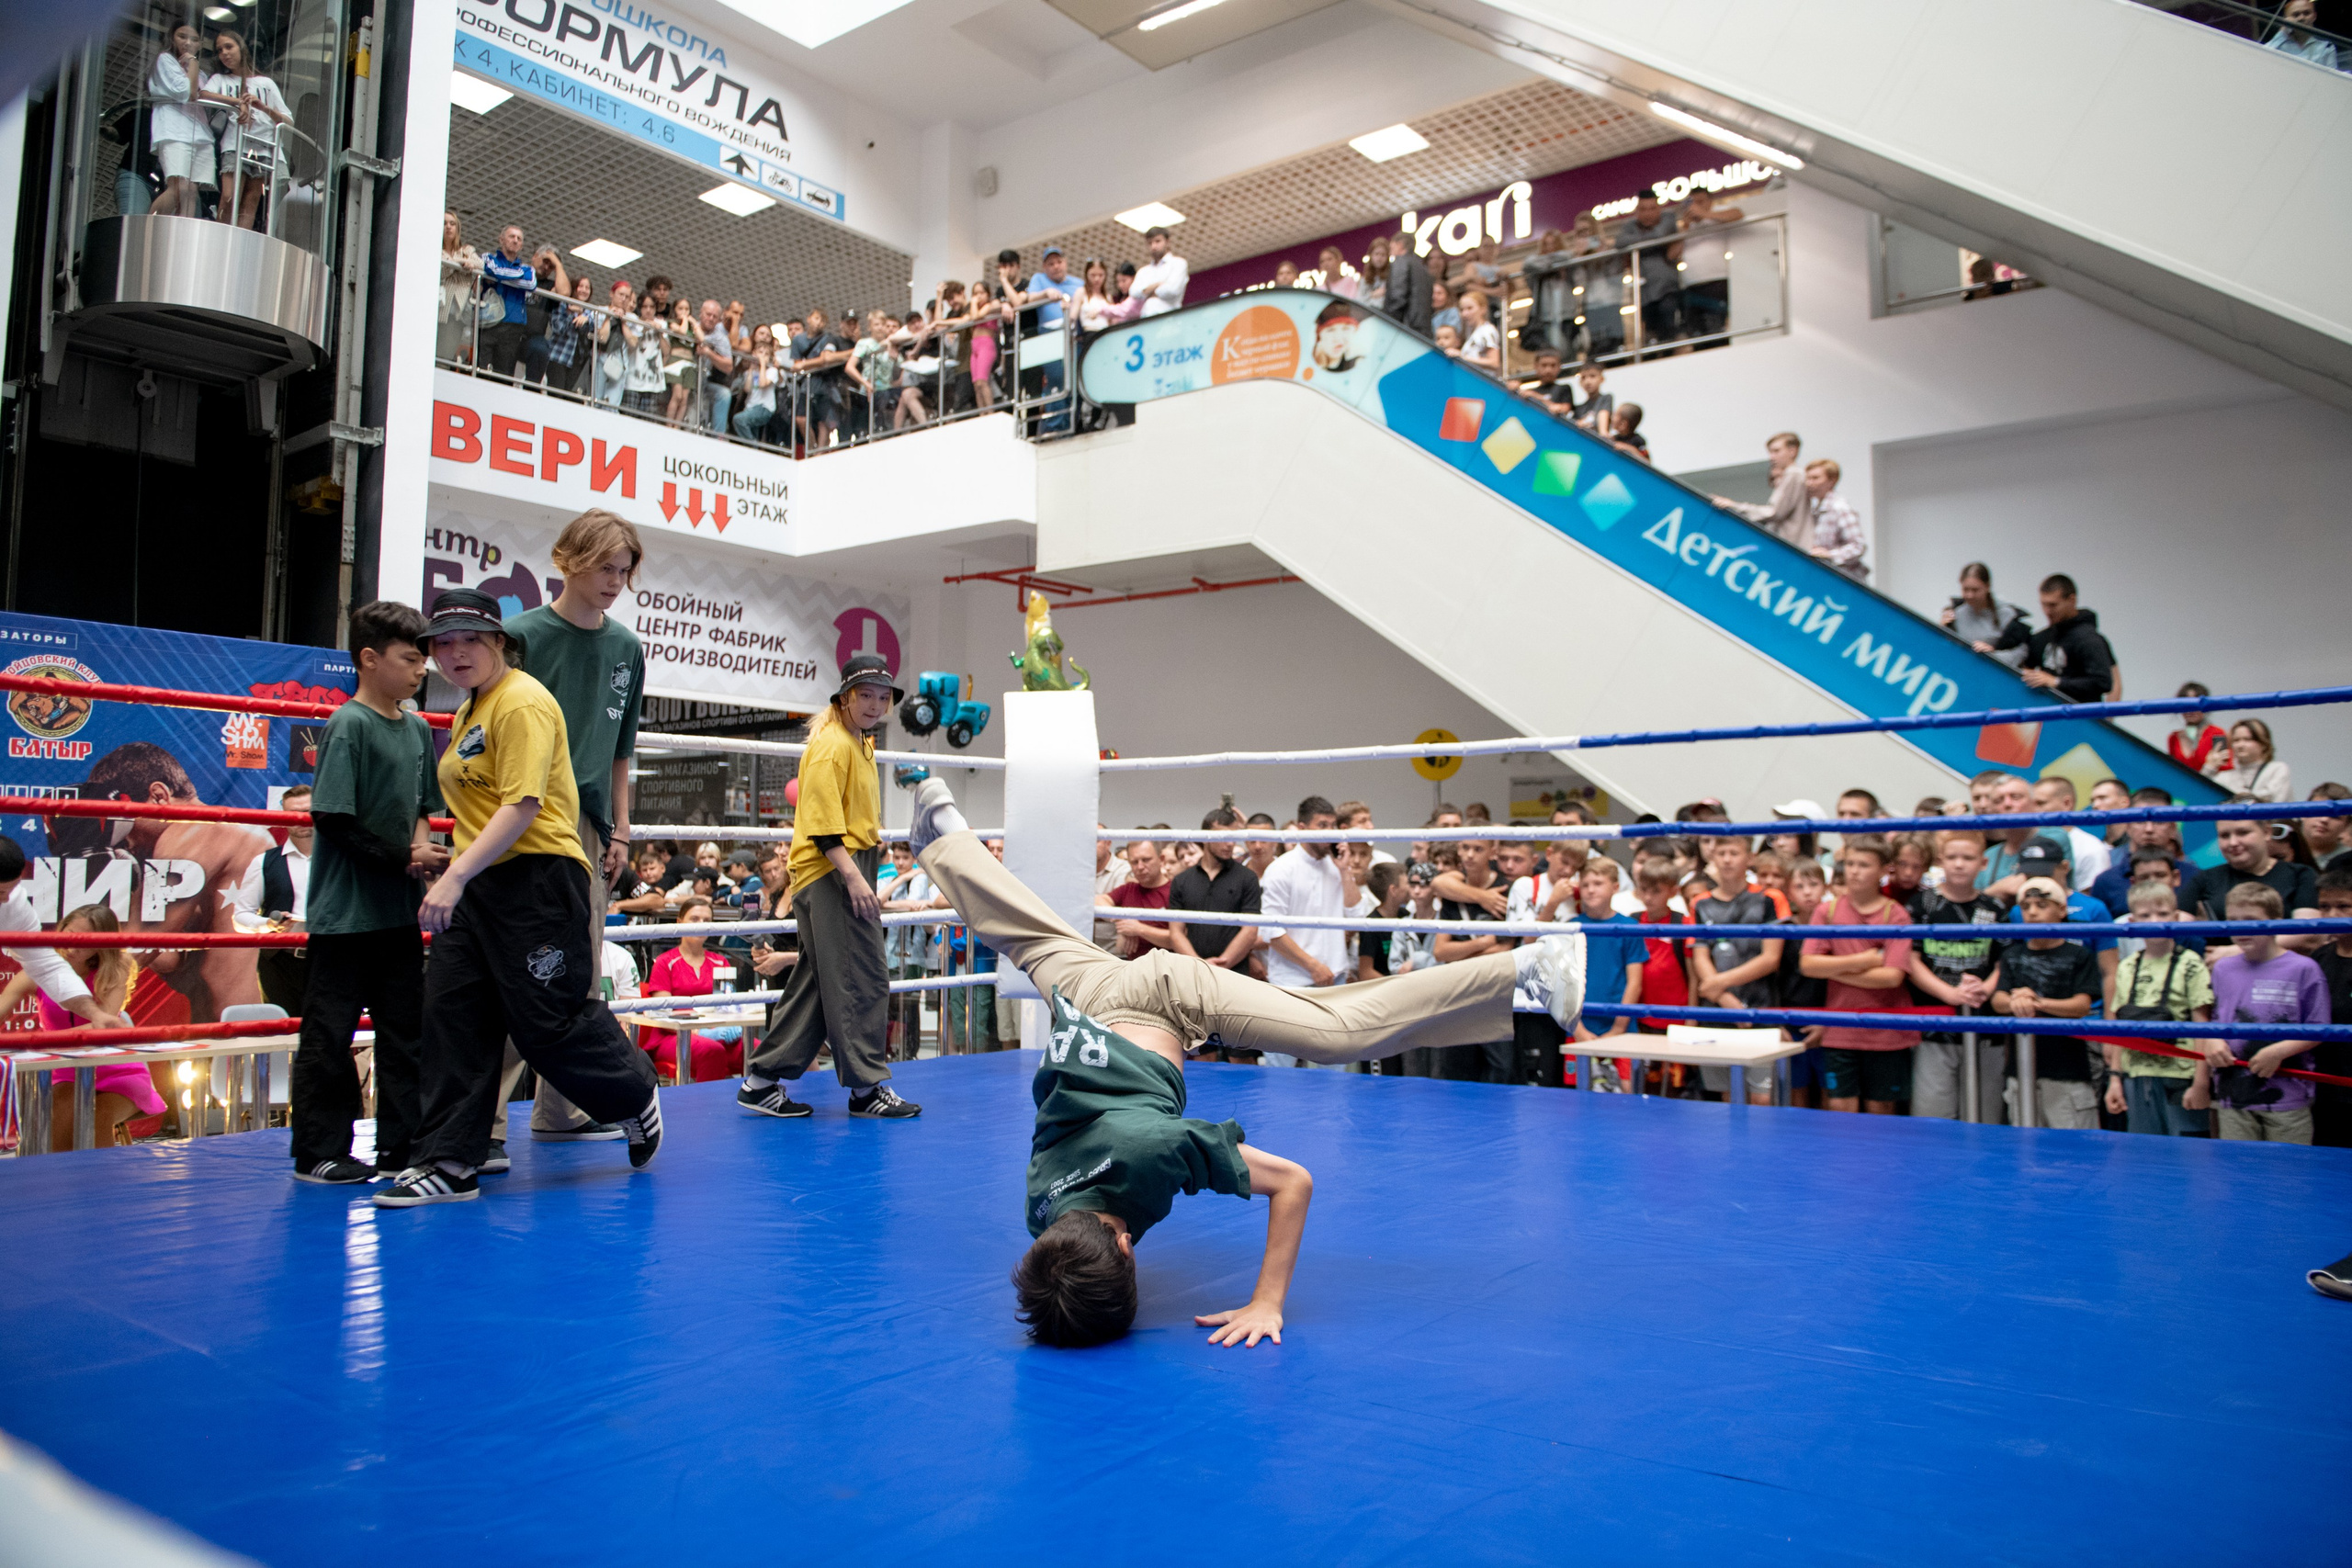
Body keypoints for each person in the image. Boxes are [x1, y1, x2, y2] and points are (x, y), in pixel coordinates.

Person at [899, 776, 1585, 1348]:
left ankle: (1524, 969)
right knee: (1026, 933)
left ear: (1129, 1248)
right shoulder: (1038, 1210)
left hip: (1165, 997)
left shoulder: (1151, 1151)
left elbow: (1294, 1183)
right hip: (1087, 999)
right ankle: (944, 836)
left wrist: (1267, 1302)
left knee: (1340, 1028)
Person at [376, 591, 663, 1207]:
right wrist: (455, 869)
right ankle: (450, 1159)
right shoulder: (468, 711)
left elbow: (523, 804)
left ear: (499, 642)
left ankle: (634, 1092)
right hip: (480, 881)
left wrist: (455, 875)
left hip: (538, 877)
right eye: (443, 643)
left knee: (548, 1020)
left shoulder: (524, 701)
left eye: (469, 640)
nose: (455, 653)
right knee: (453, 1014)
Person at [485, 511, 648, 1150]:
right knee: (517, 967)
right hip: (523, 817)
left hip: (588, 825)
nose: (614, 580)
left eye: (624, 570)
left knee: (580, 969)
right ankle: (487, 1122)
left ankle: (564, 1109)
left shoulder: (626, 648)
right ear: (569, 559)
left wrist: (622, 830)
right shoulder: (521, 637)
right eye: (605, 566)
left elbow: (619, 750)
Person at [285, 603, 446, 1181]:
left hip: (397, 913)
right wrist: (408, 856)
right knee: (329, 1038)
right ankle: (318, 1151)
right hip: (344, 917)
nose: (421, 669)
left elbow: (427, 808)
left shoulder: (418, 730)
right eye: (409, 658)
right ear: (370, 659)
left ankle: (400, 1149)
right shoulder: (348, 724)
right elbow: (332, 819)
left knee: (407, 1037)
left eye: (422, 659)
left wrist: (420, 856)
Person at [740, 655, 920, 1120]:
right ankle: (866, 1089)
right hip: (831, 870)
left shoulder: (860, 742)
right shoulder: (832, 745)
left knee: (821, 984)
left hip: (840, 866)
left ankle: (761, 1080)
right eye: (866, 695)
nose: (876, 705)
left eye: (883, 697)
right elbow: (822, 828)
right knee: (862, 975)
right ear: (844, 698)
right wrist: (856, 877)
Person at [0, 903, 161, 1150]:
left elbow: (99, 1030)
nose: (73, 946)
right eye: (70, 935)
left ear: (101, 944)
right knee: (60, 1117)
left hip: (116, 1070)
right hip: (64, 1070)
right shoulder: (38, 971)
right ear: (61, 929)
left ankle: (99, 1186)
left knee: (98, 1116)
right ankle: (62, 1184)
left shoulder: (116, 967)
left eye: (85, 941)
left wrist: (35, 1042)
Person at [2195, 883, 2326, 1145]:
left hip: (2288, 1095)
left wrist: (2278, 1052)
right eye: (2233, 921)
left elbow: (2320, 1028)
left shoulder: (2304, 969)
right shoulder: (2222, 969)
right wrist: (2213, 1041)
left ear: (2276, 922)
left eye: (2251, 920)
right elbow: (2217, 1020)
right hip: (2233, 1094)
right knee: (2239, 1172)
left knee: (2289, 1173)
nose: (2242, 928)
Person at [1802, 837, 1916, 1114]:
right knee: (1840, 1107)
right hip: (1840, 1028)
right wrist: (1862, 961)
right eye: (1850, 863)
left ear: (1883, 870)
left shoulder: (1896, 914)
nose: (1854, 871)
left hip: (1886, 1030)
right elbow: (1807, 965)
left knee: (1881, 1108)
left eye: (1863, 865)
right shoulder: (1826, 911)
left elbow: (1891, 977)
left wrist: (1835, 968)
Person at [1906, 829, 2008, 1123]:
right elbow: (1911, 960)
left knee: (1985, 1113)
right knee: (1932, 1114)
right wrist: (1947, 994)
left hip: (1985, 1026)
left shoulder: (1994, 908)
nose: (1959, 864)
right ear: (1941, 862)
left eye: (1968, 857)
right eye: (1952, 857)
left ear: (1983, 863)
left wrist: (1986, 989)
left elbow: (2005, 960)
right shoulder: (1922, 905)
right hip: (1935, 1027)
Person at [1989, 877, 2104, 1130]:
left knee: (2073, 1150)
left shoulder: (2078, 955)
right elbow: (1998, 1000)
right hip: (2020, 1069)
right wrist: (2017, 1002)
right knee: (2024, 1146)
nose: (2032, 912)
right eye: (2025, 906)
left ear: (2062, 910)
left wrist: (2036, 1002)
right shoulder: (2012, 954)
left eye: (2042, 904)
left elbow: (2081, 1006)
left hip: (2067, 1070)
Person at [2102, 880, 2213, 1136]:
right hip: (2137, 1074)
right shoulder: (2127, 966)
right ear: (2131, 921)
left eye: (2163, 914)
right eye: (2145, 915)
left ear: (2176, 917)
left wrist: (2201, 1081)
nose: (2155, 921)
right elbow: (2121, 1027)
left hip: (2181, 1075)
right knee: (2144, 1155)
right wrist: (2115, 1079)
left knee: (2189, 1153)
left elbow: (2203, 1024)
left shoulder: (2191, 963)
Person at [1690, 836, 1785, 1104]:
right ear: (1713, 857)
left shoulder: (1769, 898)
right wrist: (1727, 999)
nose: (1727, 859)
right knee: (1727, 1097)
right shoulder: (1701, 903)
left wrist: (1719, 986)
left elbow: (1770, 958)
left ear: (1749, 858)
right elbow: (1700, 957)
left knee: (1762, 1098)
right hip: (1718, 1012)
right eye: (1721, 853)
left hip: (1759, 1009)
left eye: (1734, 852)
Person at [1431, 840, 1520, 1082]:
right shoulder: (1453, 892)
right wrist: (1482, 943)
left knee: (1502, 1067)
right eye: (1465, 848)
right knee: (1456, 1069)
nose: (1469, 855)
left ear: (1493, 852)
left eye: (1478, 849)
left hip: (1495, 991)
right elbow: (1440, 951)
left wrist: (1460, 955)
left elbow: (1504, 949)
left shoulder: (1507, 891)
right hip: (1459, 991)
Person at [641, 897, 745, 1084]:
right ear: (679, 922)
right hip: (671, 1036)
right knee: (712, 1051)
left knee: (758, 1049)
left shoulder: (720, 962)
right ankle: (705, 1109)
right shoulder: (665, 962)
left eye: (707, 921)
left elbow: (729, 1006)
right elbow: (663, 1012)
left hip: (716, 1032)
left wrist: (731, 1024)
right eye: (694, 919)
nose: (701, 925)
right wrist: (699, 1032)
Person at [233, 784, 313, 1015]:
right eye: (293, 814)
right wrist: (268, 925)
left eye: (308, 812)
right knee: (282, 1035)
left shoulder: (339, 859)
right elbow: (240, 917)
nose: (301, 819)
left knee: (332, 1034)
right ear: (284, 819)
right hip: (280, 962)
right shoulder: (264, 862)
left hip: (332, 959)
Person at [205, 29, 291, 232]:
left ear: (241, 48)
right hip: (235, 144)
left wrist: (263, 107)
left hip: (264, 146)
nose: (224, 53)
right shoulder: (220, 79)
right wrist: (237, 103)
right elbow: (204, 94)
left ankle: (239, 240)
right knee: (229, 196)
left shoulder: (265, 83)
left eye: (229, 47)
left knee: (251, 201)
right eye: (219, 50)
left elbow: (287, 119)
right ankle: (220, 236)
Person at [1991, 574, 2115, 703]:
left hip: (2079, 717)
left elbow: (2103, 682)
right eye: (2044, 605)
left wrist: (2056, 682)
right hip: (2047, 712)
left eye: (2053, 605)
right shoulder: (2043, 637)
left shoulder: (2089, 639)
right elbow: (2023, 663)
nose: (2047, 611)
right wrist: (1993, 651)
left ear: (2072, 600)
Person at [146, 24, 227, 219]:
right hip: (174, 130)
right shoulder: (165, 60)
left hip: (200, 133)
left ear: (200, 44)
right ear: (172, 38)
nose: (188, 42)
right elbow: (187, 92)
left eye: (194, 39)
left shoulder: (199, 74)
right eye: (182, 36)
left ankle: (182, 239)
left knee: (191, 191)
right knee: (178, 188)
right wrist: (193, 63)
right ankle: (148, 229)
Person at [2182, 811, 2319, 924]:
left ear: (2266, 832)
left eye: (2243, 833)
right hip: (2215, 957)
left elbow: (2307, 933)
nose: (2233, 842)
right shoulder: (2204, 879)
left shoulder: (2301, 874)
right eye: (2225, 835)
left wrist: (2234, 953)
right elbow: (2179, 929)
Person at [1167, 808, 1260, 973]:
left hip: (1235, 973)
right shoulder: (1182, 881)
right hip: (1192, 972)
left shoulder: (1248, 878)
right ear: (1206, 836)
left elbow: (1250, 931)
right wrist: (1200, 966)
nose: (1230, 843)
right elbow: (1176, 932)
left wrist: (1220, 967)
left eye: (1234, 837)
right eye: (1224, 837)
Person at [1711, 431, 1810, 547]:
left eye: (1776, 451)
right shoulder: (1794, 475)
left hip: (1789, 546)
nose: (1771, 457)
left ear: (1792, 451)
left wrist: (1734, 505)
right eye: (1770, 452)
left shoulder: (1793, 474)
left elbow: (1774, 512)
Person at [1674, 186, 1743, 346]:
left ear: (1710, 201)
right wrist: (1685, 227)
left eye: (1700, 202)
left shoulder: (1718, 213)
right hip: (1691, 285)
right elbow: (1673, 254)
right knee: (1696, 332)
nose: (1695, 206)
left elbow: (1738, 214)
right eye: (1692, 203)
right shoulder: (1686, 224)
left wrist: (1705, 214)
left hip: (1717, 280)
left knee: (1717, 328)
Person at [1617, 192, 1682, 353]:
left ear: (1659, 209)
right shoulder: (1629, 226)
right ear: (1637, 211)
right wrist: (1652, 240)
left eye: (1652, 208)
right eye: (1643, 209)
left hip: (1668, 288)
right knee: (1650, 334)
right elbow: (1620, 243)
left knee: (1669, 330)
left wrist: (1639, 241)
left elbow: (1661, 234)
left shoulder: (1668, 218)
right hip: (1644, 291)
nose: (1648, 213)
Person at [2029, 777, 2112, 893]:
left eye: (2040, 803)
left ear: (2067, 803)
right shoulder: (2027, 842)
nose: (2034, 810)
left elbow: (2088, 902)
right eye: (2032, 804)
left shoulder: (2091, 848)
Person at [1939, 562, 2030, 668]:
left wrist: (1993, 654)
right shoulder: (1956, 612)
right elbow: (1944, 648)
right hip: (1959, 668)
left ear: (1987, 587)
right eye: (1965, 589)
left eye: (1975, 590)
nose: (1970, 595)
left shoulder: (2007, 614)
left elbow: (2022, 652)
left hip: (1991, 672)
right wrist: (1942, 628)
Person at [476, 225, 537, 379]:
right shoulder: (487, 258)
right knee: (481, 372)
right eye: (512, 237)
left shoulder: (527, 269)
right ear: (501, 239)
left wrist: (500, 277)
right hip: (488, 322)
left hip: (513, 327)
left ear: (522, 245)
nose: (515, 241)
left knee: (504, 377)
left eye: (519, 239)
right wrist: (517, 276)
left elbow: (530, 283)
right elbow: (491, 270)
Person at [1106, 838, 1176, 957]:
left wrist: (1139, 929)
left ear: (1161, 859)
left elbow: (1179, 939)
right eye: (1134, 862)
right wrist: (1124, 922)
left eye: (1146, 860)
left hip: (1166, 970)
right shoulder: (1128, 889)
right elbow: (1099, 901)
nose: (1140, 866)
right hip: (1132, 969)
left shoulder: (1175, 891)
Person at [1804, 459, 1868, 580]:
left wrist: (1830, 555)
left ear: (1832, 481)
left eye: (1815, 478)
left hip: (1845, 580)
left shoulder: (1840, 508)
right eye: (1808, 478)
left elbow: (1858, 546)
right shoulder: (1817, 509)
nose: (1809, 483)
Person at [2211, 718, 2290, 802]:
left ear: (2263, 744)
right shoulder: (2223, 777)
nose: (2240, 745)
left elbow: (2276, 805)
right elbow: (2206, 801)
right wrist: (2210, 768)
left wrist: (2236, 800)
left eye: (2247, 739)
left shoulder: (2277, 769)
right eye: (2236, 740)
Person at [2167, 682, 2230, 776]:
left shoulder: (2216, 733)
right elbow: (2171, 771)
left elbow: (2225, 769)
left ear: (2205, 706)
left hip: (2210, 787)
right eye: (2185, 705)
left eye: (2195, 705)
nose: (2190, 710)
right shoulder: (2173, 737)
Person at [1383, 231, 1432, 337]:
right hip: (1422, 329)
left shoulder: (1401, 262)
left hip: (1405, 329)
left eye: (1392, 246)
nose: (1390, 250)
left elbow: (1397, 296)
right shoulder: (1423, 268)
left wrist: (1387, 323)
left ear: (1400, 244)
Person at [1131, 225, 1189, 316]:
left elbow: (1172, 291)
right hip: (1146, 320)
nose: (1154, 246)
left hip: (1171, 318)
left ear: (1167, 242)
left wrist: (1147, 291)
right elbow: (1133, 293)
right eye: (1150, 243)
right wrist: (1158, 284)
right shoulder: (1143, 271)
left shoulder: (1178, 263)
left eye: (1158, 241)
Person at [2265, 0, 2340, 67]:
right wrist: (2283, 30)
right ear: (2286, 19)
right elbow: (2261, 57)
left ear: (2314, 16)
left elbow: (2331, 81)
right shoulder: (2278, 45)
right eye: (2296, 15)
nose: (2301, 18)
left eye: (2306, 13)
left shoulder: (2327, 48)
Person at [1456, 289, 1500, 372]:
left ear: (1483, 309)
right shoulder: (1471, 333)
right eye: (1462, 310)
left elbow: (1494, 363)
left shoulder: (1487, 330)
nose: (1465, 314)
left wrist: (1462, 356)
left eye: (1470, 308)